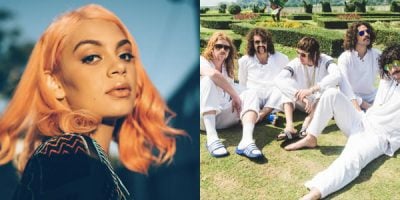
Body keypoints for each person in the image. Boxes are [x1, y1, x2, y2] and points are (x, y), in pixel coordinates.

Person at [0, 4, 183, 200]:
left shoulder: (84, 157)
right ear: (55, 83)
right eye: (92, 57)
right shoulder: (67, 154)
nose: (119, 66)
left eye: (125, 55)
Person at [298, 44, 400, 200]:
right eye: (389, 66)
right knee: (332, 94)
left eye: (397, 65)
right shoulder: (388, 79)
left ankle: (316, 193)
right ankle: (311, 136)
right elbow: (383, 65)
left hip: (379, 137)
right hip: (363, 121)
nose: (393, 70)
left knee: (352, 159)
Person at [200, 32, 263, 159]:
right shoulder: (202, 61)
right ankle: (212, 139)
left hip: (223, 116)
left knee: (251, 92)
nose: (223, 49)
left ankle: (246, 141)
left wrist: (241, 99)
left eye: (226, 47)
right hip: (202, 118)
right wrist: (235, 96)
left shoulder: (227, 68)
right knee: (207, 80)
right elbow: (213, 75)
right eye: (219, 46)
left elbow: (234, 88)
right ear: (211, 48)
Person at [274, 37, 341, 142]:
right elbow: (278, 79)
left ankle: (307, 122)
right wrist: (300, 95)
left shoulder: (325, 60)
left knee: (328, 92)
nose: (299, 57)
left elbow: (337, 75)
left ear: (314, 54)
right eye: (298, 53)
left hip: (319, 102)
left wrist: (312, 90)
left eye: (303, 55)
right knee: (285, 89)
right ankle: (289, 126)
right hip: (302, 101)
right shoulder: (296, 63)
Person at [238, 28, 289, 124]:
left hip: (273, 95)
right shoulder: (244, 61)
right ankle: (268, 116)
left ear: (268, 43)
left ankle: (261, 114)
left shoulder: (281, 58)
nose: (261, 45)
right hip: (255, 94)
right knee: (248, 94)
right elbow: (242, 83)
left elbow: (286, 80)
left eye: (263, 41)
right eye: (257, 42)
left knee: (281, 89)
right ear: (252, 44)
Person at [338, 21, 381, 111]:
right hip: (352, 99)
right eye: (361, 33)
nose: (366, 34)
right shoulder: (345, 58)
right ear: (354, 37)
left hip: (372, 97)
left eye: (368, 32)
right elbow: (344, 88)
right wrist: (364, 106)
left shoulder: (377, 54)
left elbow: (389, 70)